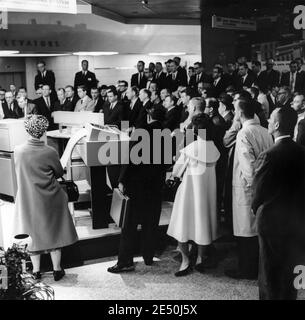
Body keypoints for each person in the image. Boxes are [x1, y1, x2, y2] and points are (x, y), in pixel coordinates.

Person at [13, 115, 78, 281]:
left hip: (28, 199)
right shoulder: (50, 151)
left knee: (32, 233)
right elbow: (58, 173)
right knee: (54, 231)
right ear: (43, 132)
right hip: (50, 197)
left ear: (27, 130)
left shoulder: (18, 151)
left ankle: (36, 271)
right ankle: (57, 269)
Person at [252, 106, 305, 300]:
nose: (267, 122)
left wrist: (255, 210)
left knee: (269, 273)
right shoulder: (302, 152)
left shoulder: (269, 155)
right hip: (298, 221)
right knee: (291, 270)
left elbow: (257, 193)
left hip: (272, 222)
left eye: (271, 119)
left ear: (276, 124)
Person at [107, 105, 166, 273]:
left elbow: (130, 158)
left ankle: (125, 262)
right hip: (155, 185)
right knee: (151, 221)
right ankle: (148, 256)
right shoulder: (167, 134)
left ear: (148, 116)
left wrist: (121, 180)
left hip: (137, 184)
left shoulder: (141, 131)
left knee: (129, 224)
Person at [225, 98, 273, 280]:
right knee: (254, 231)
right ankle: (254, 268)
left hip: (248, 189)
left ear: (240, 113)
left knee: (246, 232)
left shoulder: (244, 133)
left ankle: (246, 270)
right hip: (263, 186)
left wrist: (254, 189)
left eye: (235, 110)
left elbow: (248, 167)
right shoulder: (264, 130)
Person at [167, 113, 220, 276]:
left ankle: (185, 260)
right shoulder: (214, 148)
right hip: (206, 193)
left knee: (183, 224)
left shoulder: (192, 148)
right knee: (203, 224)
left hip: (189, 191)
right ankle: (200, 259)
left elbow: (176, 171)